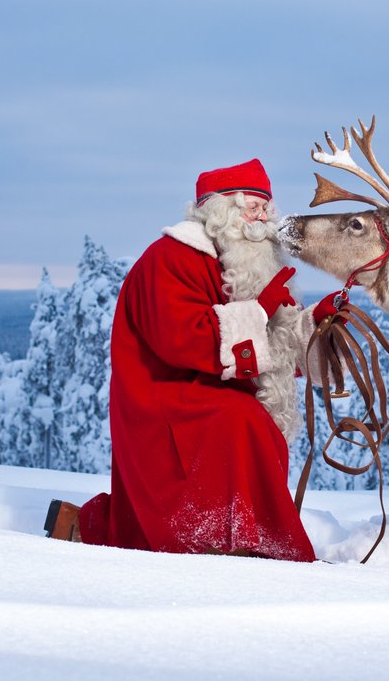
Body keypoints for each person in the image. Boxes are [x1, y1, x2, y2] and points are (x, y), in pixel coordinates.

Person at [44, 158, 339, 561]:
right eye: (252, 206)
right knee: (240, 420)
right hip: (160, 397)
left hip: (202, 388)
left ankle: (242, 537)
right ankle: (225, 541)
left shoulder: (239, 263)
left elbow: (270, 349)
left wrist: (316, 330)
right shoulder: (171, 258)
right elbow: (182, 339)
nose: (263, 218)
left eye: (266, 206)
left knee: (251, 419)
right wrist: (260, 310)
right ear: (220, 212)